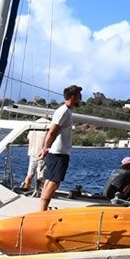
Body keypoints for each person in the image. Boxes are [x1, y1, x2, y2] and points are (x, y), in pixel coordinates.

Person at [36, 84, 82, 212]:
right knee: (54, 182)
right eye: (79, 96)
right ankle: (42, 211)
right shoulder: (63, 111)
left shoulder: (66, 111)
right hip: (58, 152)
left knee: (50, 180)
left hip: (59, 151)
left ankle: (42, 208)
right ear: (73, 97)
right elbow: (52, 131)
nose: (81, 99)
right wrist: (45, 148)